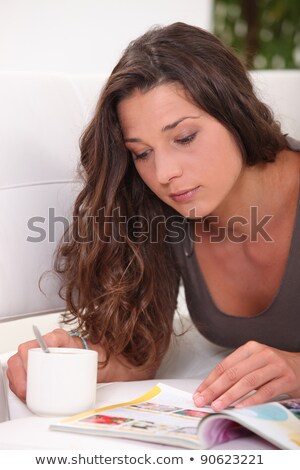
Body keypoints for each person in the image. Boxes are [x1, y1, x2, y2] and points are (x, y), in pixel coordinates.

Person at [7, 22, 300, 411]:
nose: (163, 175)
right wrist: (75, 356)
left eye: (184, 138)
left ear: (235, 112)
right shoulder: (165, 209)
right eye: (142, 153)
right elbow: (137, 359)